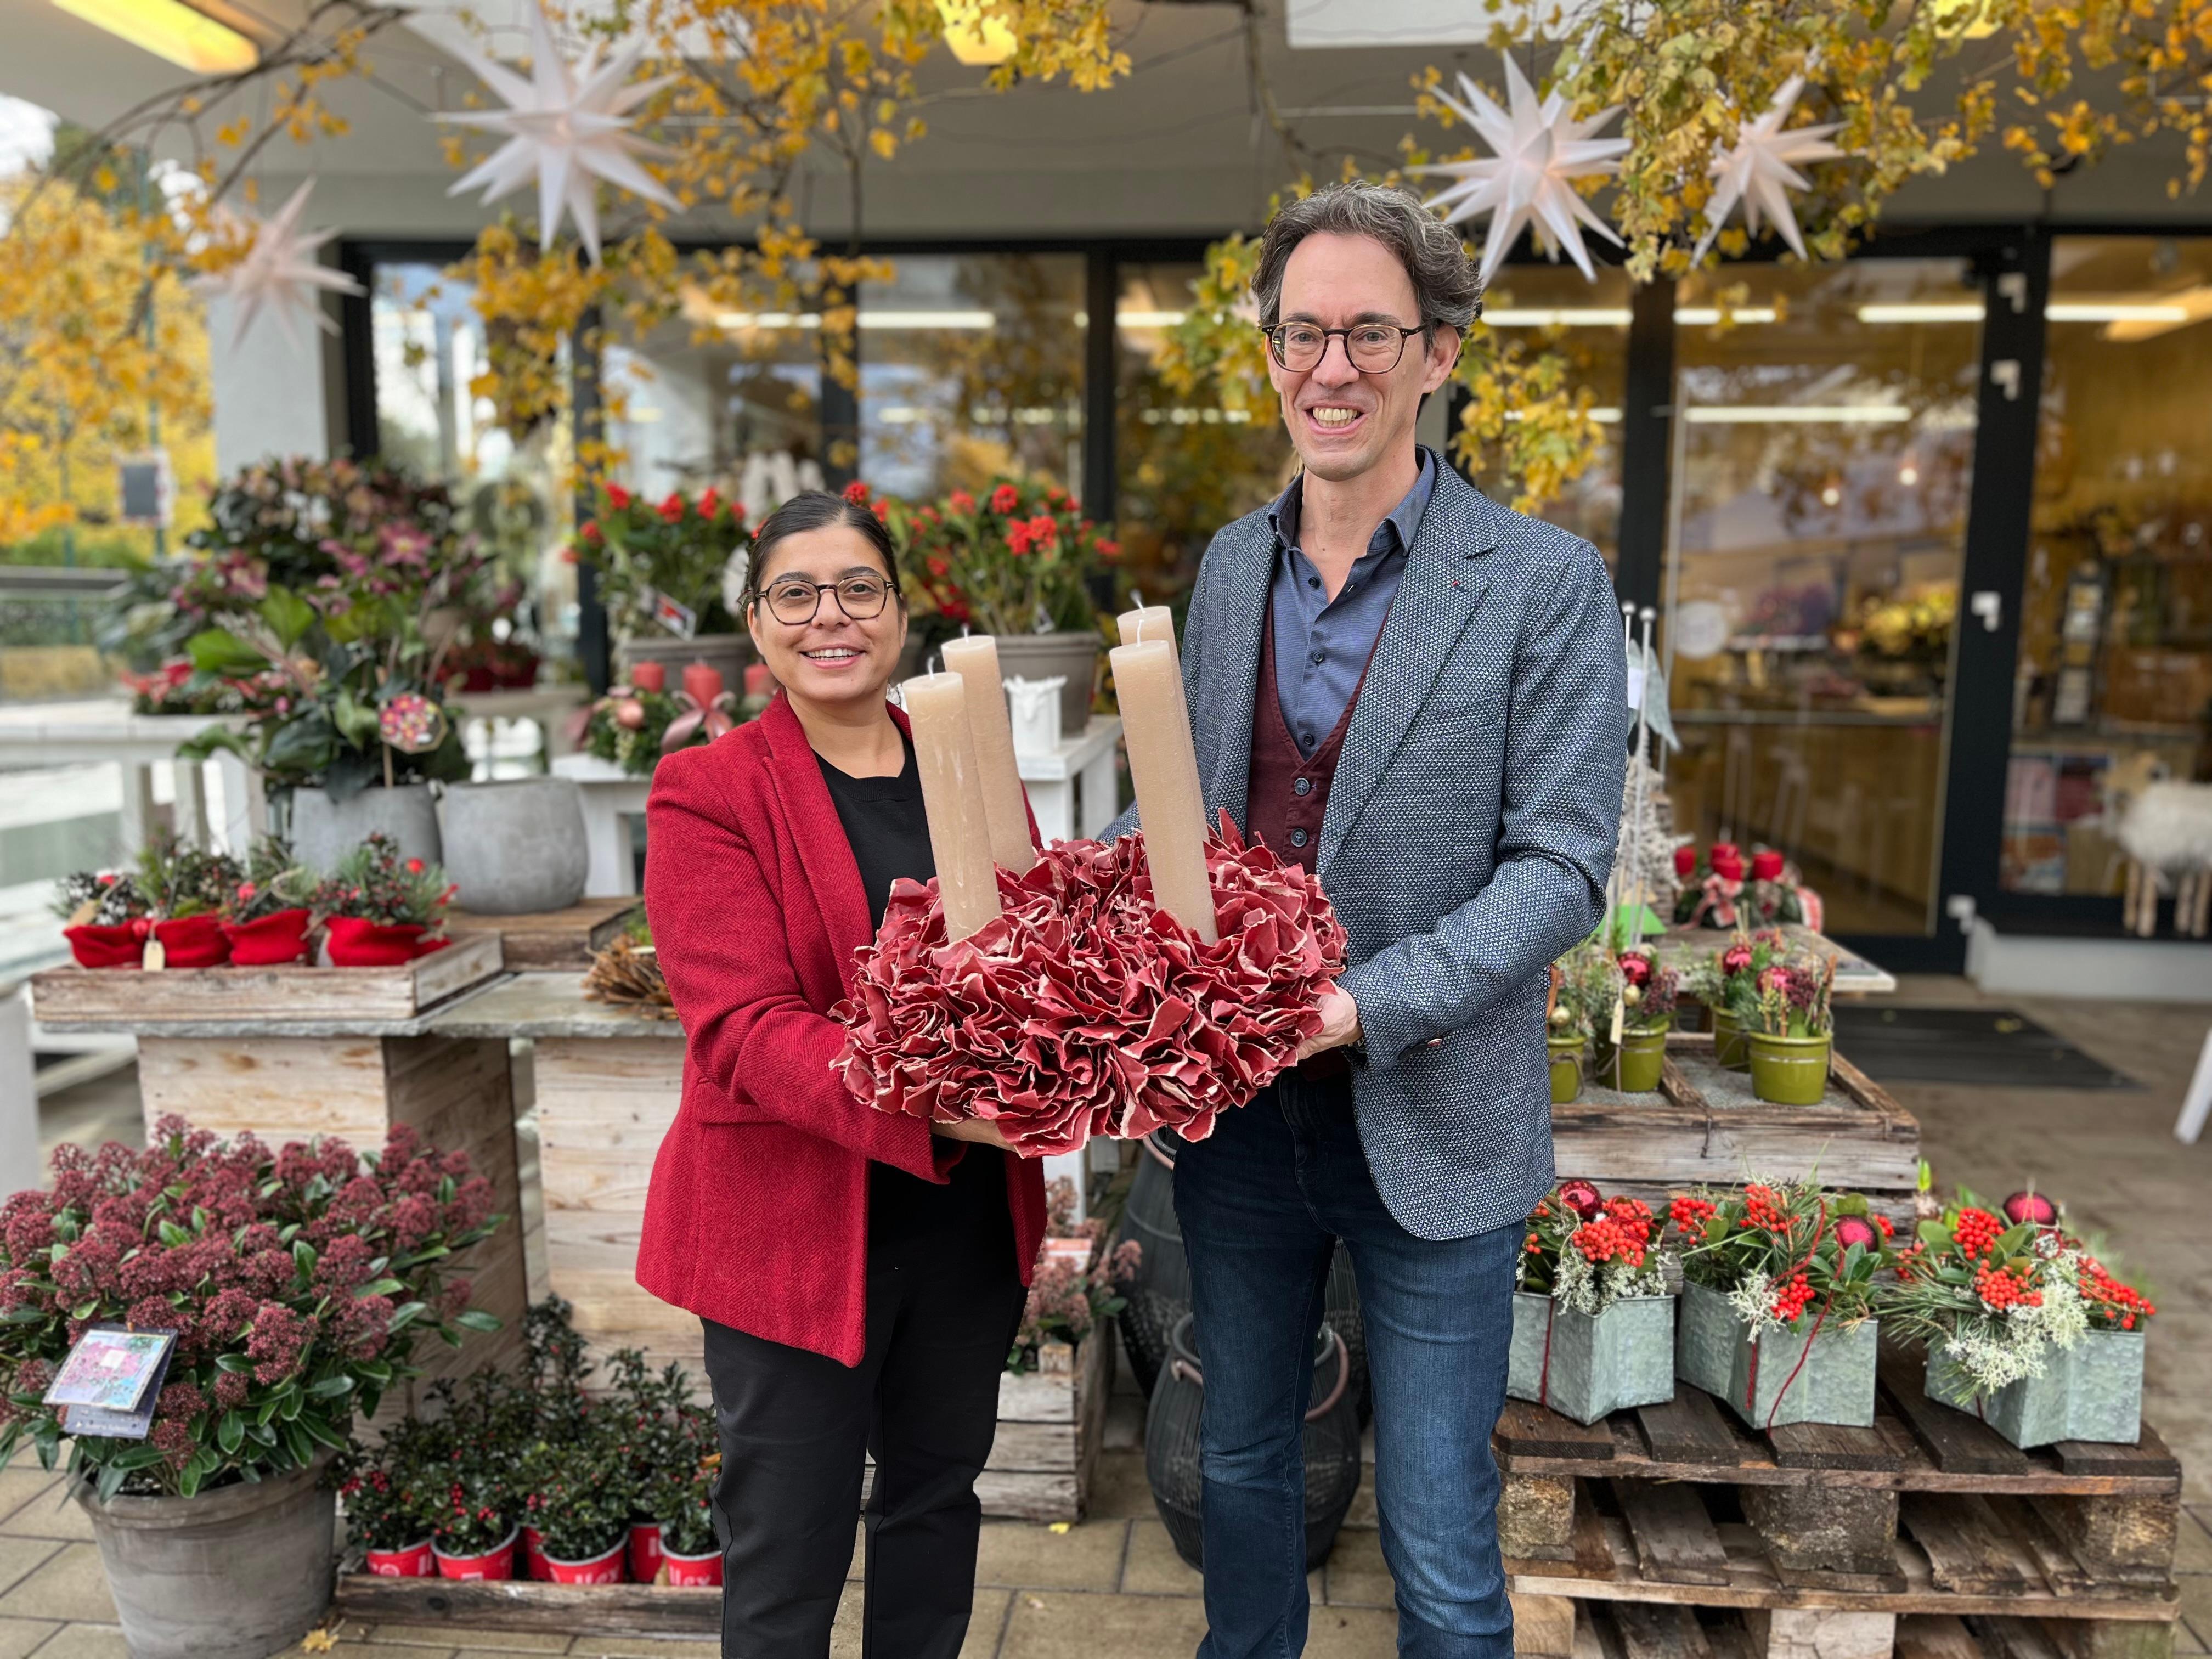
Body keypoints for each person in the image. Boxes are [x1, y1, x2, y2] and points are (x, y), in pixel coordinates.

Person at [1111, 182, 1628, 1658]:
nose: (1328, 367)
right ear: (1267, 348)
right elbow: (1189, 826)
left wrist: (1366, 1002)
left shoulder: (1544, 583)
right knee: (1243, 1467)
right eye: (1300, 331)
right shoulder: (1227, 570)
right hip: (1240, 1126)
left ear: (1441, 351)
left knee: (1442, 1538)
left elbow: (1563, 866)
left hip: (1435, 1115)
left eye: (1368, 332)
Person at [636, 489, 1046, 1659]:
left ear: (902, 614)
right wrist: (942, 1103)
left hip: (964, 1226)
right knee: (787, 1553)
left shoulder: (970, 770)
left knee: (933, 1513)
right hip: (794, 1230)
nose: (833, 615)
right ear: (757, 624)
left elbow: (1033, 971)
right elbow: (745, 1030)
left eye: (859, 588)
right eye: (798, 593)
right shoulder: (710, 791)